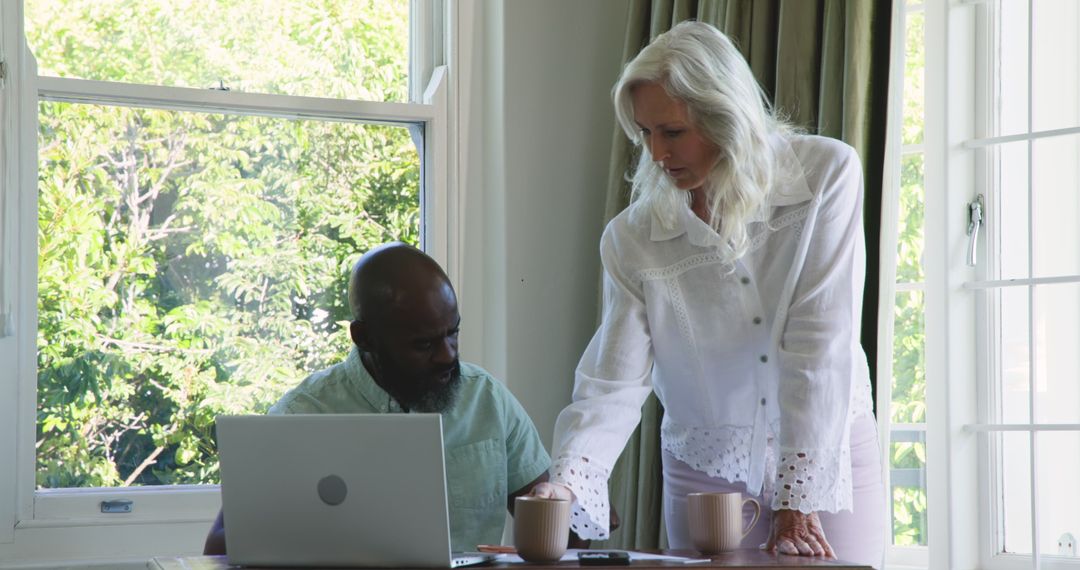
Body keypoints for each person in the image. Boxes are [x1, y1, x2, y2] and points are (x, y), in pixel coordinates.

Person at [531, 21, 886, 568]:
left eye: (671, 132)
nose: (655, 153)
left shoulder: (824, 176)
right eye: (645, 133)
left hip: (828, 457)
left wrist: (798, 496)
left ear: (726, 116)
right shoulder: (632, 239)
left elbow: (820, 338)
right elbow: (612, 380)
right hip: (704, 472)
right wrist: (568, 482)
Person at [204, 242, 554, 555]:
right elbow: (218, 546)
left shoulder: (488, 400)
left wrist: (570, 503)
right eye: (424, 344)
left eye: (453, 333)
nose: (448, 355)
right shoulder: (303, 414)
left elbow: (556, 524)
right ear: (364, 338)